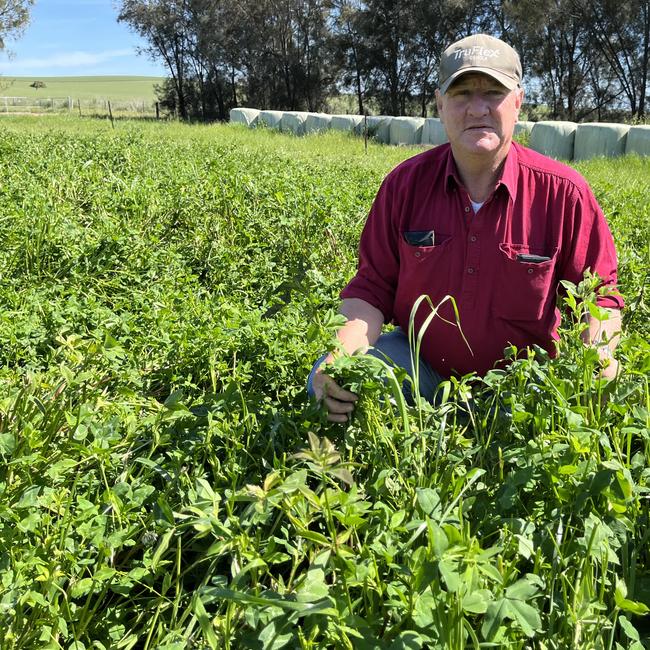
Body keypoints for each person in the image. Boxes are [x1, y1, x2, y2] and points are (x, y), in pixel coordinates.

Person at [309, 33, 623, 423]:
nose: (477, 108)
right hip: (422, 373)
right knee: (328, 378)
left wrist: (600, 355)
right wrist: (340, 354)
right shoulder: (404, 186)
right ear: (440, 104)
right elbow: (371, 290)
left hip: (522, 386)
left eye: (493, 92)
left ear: (518, 102)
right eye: (461, 94)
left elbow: (600, 296)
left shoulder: (563, 193)